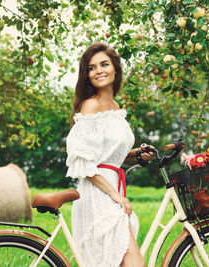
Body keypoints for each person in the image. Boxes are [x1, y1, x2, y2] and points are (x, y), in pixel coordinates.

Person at [66, 42, 154, 267]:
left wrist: (136, 154)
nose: (99, 71)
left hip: (112, 191)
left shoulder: (116, 108)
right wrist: (116, 196)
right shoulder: (90, 106)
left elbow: (107, 156)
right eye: (92, 67)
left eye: (104, 64)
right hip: (97, 194)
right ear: (87, 75)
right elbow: (85, 163)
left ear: (115, 68)